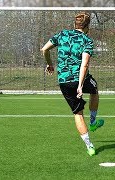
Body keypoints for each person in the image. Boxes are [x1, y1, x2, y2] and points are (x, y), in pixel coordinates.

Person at [41, 12, 104, 156]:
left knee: (78, 113)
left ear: (74, 25)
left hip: (64, 81)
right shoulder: (87, 40)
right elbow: (85, 64)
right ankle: (93, 121)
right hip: (79, 79)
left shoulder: (62, 34)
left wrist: (50, 64)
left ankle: (90, 147)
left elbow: (44, 49)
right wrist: (81, 85)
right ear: (87, 27)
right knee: (94, 89)